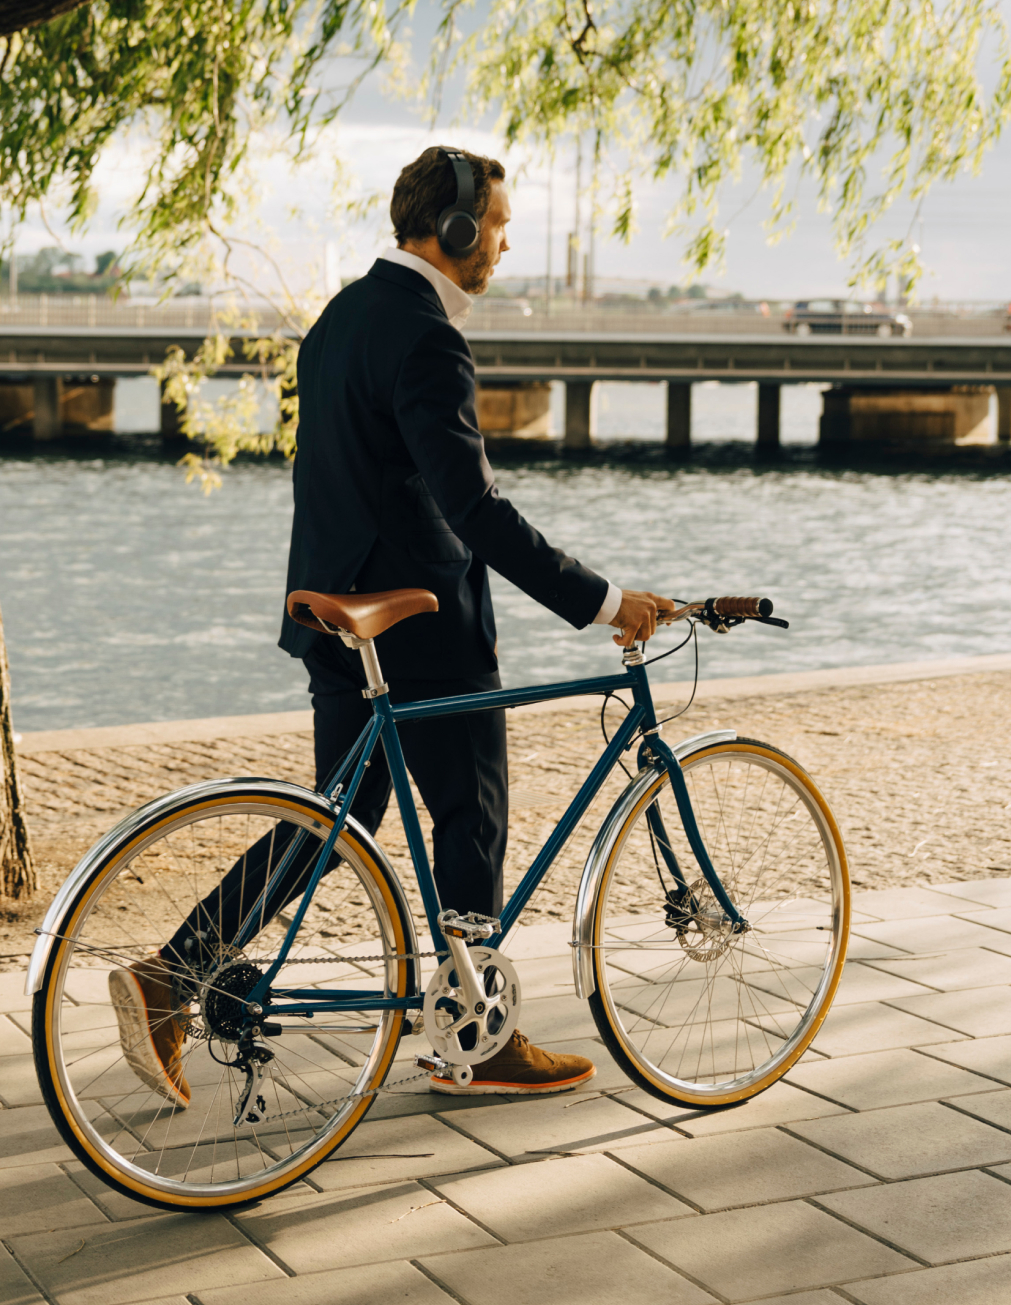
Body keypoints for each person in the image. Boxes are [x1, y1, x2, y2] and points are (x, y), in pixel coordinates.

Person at [112, 146, 675, 1107]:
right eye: (495, 225)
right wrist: (604, 599)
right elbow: (476, 512)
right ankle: (476, 1041)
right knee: (470, 812)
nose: (501, 244)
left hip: (334, 610)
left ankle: (175, 971)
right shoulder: (425, 334)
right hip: (418, 621)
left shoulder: (340, 318)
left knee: (340, 817)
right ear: (453, 230)